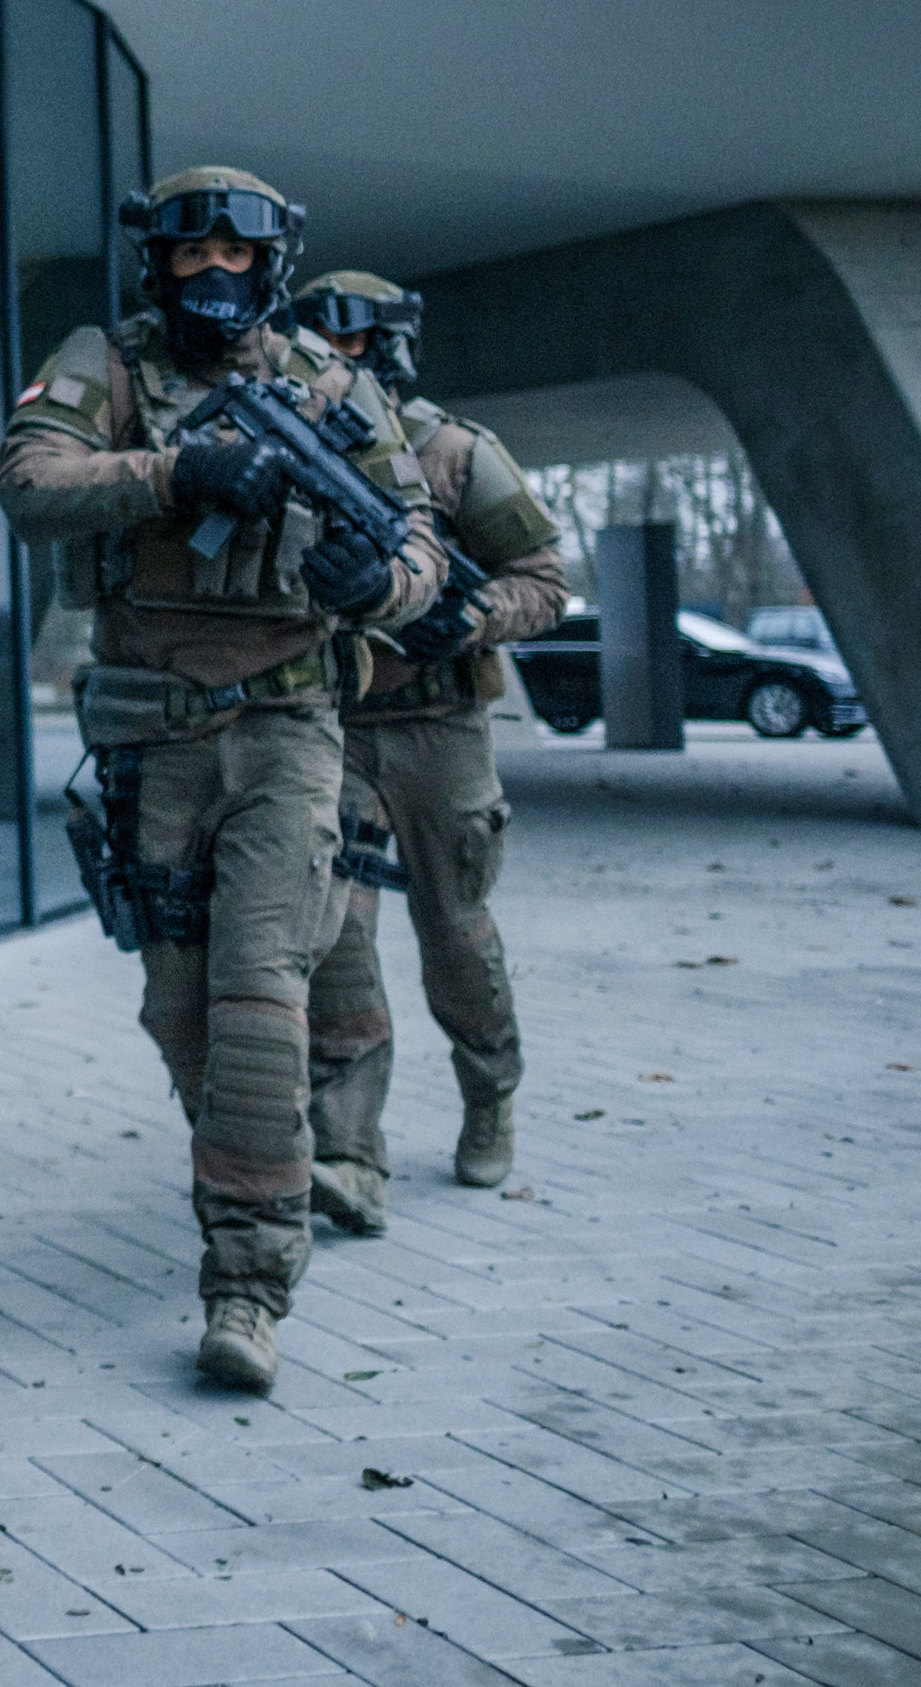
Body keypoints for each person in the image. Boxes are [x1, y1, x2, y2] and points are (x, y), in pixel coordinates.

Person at [0, 168, 448, 1394]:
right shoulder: (106, 365)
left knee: (259, 998)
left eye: (234, 257)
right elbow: (28, 482)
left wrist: (378, 585)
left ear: (269, 264)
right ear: (158, 262)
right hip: (153, 741)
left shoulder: (331, 388)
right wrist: (174, 475)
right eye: (190, 255)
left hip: (289, 729)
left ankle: (246, 1279)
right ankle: (260, 1170)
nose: (212, 274)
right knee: (181, 1011)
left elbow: (417, 544)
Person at [287, 272, 565, 1209]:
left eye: (347, 344)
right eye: (314, 343)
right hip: (331, 727)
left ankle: (491, 1095)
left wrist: (472, 616)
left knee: (456, 932)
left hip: (440, 730)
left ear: (387, 350)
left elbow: (545, 581)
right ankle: (348, 1151)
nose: (329, 362)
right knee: (337, 942)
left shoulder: (452, 452)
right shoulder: (287, 442)